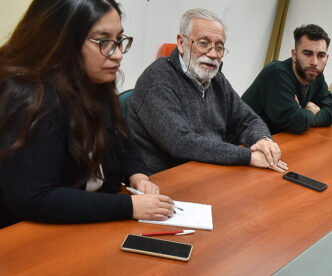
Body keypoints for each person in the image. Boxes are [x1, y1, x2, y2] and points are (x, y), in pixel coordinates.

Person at [0, 0, 174, 228]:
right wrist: (129, 207)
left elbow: (124, 141)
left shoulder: (94, 81)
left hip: (83, 220)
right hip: (26, 234)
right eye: (104, 42)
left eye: (119, 40)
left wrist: (138, 175)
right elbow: (34, 198)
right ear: (62, 41)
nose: (118, 54)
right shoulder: (30, 97)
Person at [127, 9, 285, 174]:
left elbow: (247, 119)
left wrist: (263, 139)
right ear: (181, 43)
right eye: (203, 43)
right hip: (165, 179)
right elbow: (181, 143)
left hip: (208, 170)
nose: (213, 54)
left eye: (219, 47)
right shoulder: (157, 79)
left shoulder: (216, 79)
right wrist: (248, 156)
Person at [241, 24, 332, 134]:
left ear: (327, 58)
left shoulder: (315, 75)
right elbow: (296, 123)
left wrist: (304, 115)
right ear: (294, 55)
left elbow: (330, 112)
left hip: (276, 140)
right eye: (308, 54)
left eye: (321, 56)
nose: (314, 62)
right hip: (244, 142)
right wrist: (311, 111)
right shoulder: (276, 73)